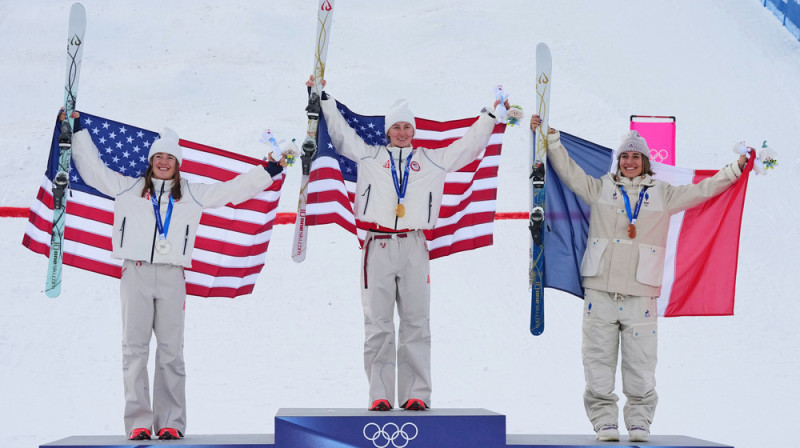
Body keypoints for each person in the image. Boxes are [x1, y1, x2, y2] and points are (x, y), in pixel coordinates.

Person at [62, 111, 286, 440]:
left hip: (172, 277)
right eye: (159, 157)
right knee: (134, 350)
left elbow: (231, 190)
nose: (164, 162)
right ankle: (138, 422)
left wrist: (268, 171)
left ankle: (170, 422)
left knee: (171, 352)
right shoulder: (128, 188)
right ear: (151, 160)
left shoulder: (191, 194)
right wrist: (77, 129)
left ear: (178, 164)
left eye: (170, 158)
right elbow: (93, 170)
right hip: (135, 274)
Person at [531, 115, 747, 442]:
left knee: (641, 367)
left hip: (641, 297)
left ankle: (639, 422)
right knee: (598, 364)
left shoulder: (664, 194)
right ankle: (605, 422)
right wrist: (552, 140)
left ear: (646, 162)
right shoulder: (602, 187)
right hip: (600, 293)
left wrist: (734, 170)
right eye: (625, 156)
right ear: (618, 160)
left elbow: (704, 190)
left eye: (635, 156)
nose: (629, 161)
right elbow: (571, 175)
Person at [307, 76, 506, 411]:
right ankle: (380, 394)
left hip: (414, 245)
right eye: (396, 127)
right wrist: (323, 99)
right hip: (378, 246)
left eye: (406, 127)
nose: (402, 132)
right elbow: (340, 135)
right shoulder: (370, 156)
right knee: (378, 326)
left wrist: (488, 117)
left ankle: (417, 393)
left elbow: (467, 148)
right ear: (388, 131)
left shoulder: (430, 160)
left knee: (416, 322)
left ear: (413, 131)